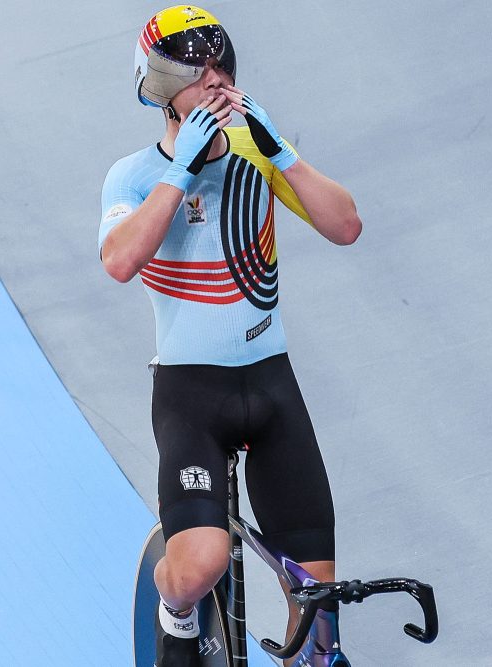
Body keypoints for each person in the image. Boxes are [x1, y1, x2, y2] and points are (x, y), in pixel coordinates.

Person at [98, 6, 362, 666]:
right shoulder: (132, 176)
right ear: (159, 86)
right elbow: (120, 261)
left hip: (272, 387)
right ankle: (174, 612)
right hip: (192, 397)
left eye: (222, 64)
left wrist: (285, 153)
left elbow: (347, 225)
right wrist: (178, 170)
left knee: (318, 612)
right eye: (198, 69)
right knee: (201, 563)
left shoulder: (256, 153)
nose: (215, 79)